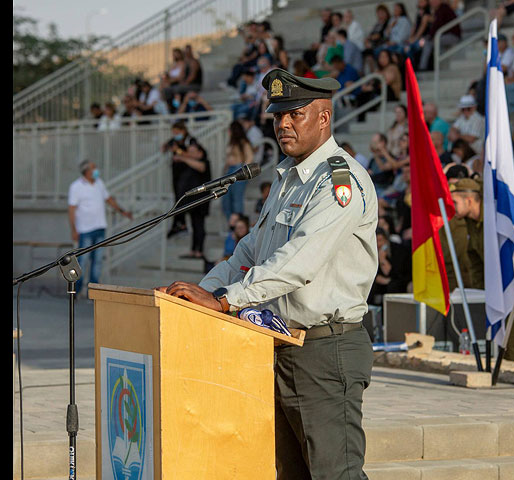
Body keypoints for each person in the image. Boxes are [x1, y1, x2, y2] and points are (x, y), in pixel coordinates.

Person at [156, 68, 378, 480]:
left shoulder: (338, 182)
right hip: (278, 343)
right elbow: (247, 255)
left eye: (296, 114)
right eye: (278, 116)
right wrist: (198, 294)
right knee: (290, 473)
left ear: (324, 118)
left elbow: (298, 261)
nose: (284, 124)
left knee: (335, 474)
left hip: (326, 350)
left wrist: (225, 301)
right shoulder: (286, 180)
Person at [68, 160, 133, 295]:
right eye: (93, 168)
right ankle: (76, 291)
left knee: (97, 261)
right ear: (86, 171)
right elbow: (72, 209)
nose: (96, 170)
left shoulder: (99, 183)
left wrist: (123, 211)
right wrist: (74, 229)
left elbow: (109, 199)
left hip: (100, 228)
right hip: (85, 230)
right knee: (82, 261)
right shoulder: (76, 187)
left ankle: (93, 292)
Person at [449, 178, 483, 289]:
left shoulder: (493, 221)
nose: (452, 208)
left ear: (469, 201)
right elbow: (475, 261)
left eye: (455, 202)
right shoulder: (470, 222)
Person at [367, 227, 411, 306]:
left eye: (380, 240)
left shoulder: (399, 251)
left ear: (386, 240)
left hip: (400, 280)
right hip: (382, 281)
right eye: (376, 241)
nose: (378, 244)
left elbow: (395, 273)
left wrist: (383, 260)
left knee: (392, 286)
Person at [221, 121, 255, 219]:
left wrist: (243, 171)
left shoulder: (243, 142)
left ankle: (238, 222)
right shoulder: (231, 142)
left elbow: (249, 157)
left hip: (237, 170)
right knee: (226, 200)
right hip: (229, 170)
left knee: (237, 199)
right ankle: (231, 223)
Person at [417, 0, 461, 71]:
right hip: (444, 35)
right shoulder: (438, 10)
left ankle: (423, 67)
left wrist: (429, 37)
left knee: (430, 42)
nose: (432, 2)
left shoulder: (443, 9)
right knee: (430, 42)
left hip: (452, 36)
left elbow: (438, 25)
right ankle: (425, 66)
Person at [362, 4, 392, 74]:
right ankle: (370, 73)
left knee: (370, 53)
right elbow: (371, 34)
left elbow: (380, 35)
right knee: (365, 54)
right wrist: (367, 40)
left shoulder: (388, 22)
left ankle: (373, 73)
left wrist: (370, 38)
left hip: (382, 44)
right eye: (378, 13)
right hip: (373, 44)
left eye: (382, 13)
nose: (380, 15)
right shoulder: (377, 24)